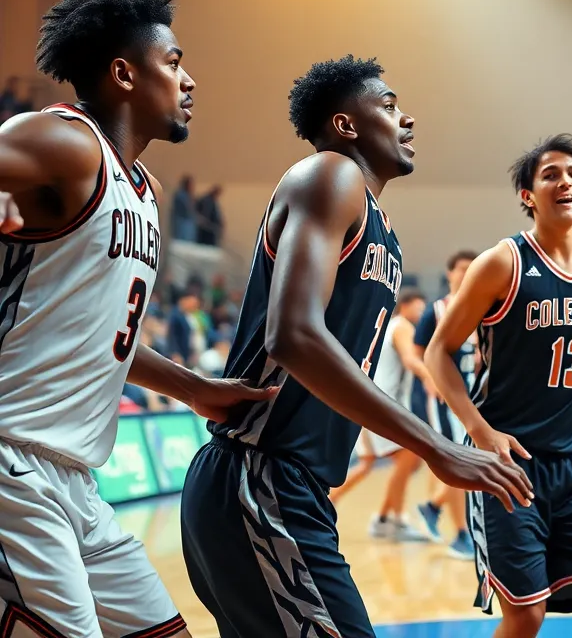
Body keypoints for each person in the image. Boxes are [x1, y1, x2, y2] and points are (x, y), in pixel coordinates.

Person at [179, 55, 532, 637]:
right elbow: (293, 335)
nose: (407, 119)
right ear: (346, 125)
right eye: (389, 107)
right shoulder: (331, 175)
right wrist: (437, 447)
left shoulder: (380, 226)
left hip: (286, 487)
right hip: (260, 478)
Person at [0, 0, 275, 638]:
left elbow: (102, 335)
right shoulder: (63, 142)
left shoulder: (144, 189)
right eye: (173, 63)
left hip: (74, 480)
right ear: (124, 74)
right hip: (11, 464)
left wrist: (194, 389)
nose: (189, 80)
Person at [422, 134, 572, 638]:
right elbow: (438, 351)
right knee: (526, 614)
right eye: (550, 175)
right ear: (528, 196)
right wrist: (479, 432)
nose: (564, 181)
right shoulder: (501, 263)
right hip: (509, 464)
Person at [330, 286, 433, 546]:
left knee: (368, 463)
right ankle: (392, 520)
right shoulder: (403, 327)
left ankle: (329, 504)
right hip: (383, 405)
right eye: (418, 306)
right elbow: (410, 360)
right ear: (405, 305)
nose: (422, 312)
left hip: (369, 400)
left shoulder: (387, 326)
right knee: (410, 455)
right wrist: (431, 377)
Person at [413, 249, 481, 560]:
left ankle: (433, 506)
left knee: (471, 461)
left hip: (474, 397)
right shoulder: (436, 311)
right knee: (459, 460)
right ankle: (461, 533)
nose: (466, 273)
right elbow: (417, 353)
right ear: (450, 273)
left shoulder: (483, 308)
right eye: (462, 268)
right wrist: (429, 376)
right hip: (445, 398)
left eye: (472, 268)